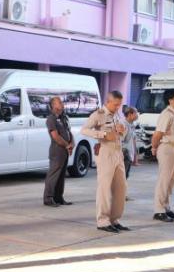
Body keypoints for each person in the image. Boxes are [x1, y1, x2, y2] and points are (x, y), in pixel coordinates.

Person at [81, 90, 129, 234]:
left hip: (118, 153)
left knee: (121, 188)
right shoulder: (99, 114)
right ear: (108, 102)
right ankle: (103, 221)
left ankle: (114, 219)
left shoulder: (117, 115)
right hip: (105, 153)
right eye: (115, 104)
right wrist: (102, 134)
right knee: (105, 188)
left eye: (119, 105)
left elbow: (122, 134)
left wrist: (122, 130)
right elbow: (84, 130)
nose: (118, 107)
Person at [152, 89, 174, 223]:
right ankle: (158, 211)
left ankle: (166, 208)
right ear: (170, 100)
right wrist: (154, 147)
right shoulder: (166, 114)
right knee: (164, 180)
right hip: (166, 148)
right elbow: (157, 134)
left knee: (171, 181)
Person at [43, 96, 74, 207]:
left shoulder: (63, 118)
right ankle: (48, 198)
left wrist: (72, 143)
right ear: (53, 106)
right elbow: (55, 136)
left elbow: (69, 132)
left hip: (64, 151)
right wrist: (67, 145)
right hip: (57, 151)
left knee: (61, 175)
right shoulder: (51, 119)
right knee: (53, 175)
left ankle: (58, 197)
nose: (62, 103)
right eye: (59, 102)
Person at [121, 107, 140, 201]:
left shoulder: (131, 125)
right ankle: (120, 195)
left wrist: (135, 156)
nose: (137, 115)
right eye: (136, 113)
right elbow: (120, 140)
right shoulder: (123, 125)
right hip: (124, 153)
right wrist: (124, 153)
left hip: (129, 154)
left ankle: (123, 195)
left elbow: (133, 140)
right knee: (122, 176)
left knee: (125, 175)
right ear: (130, 114)